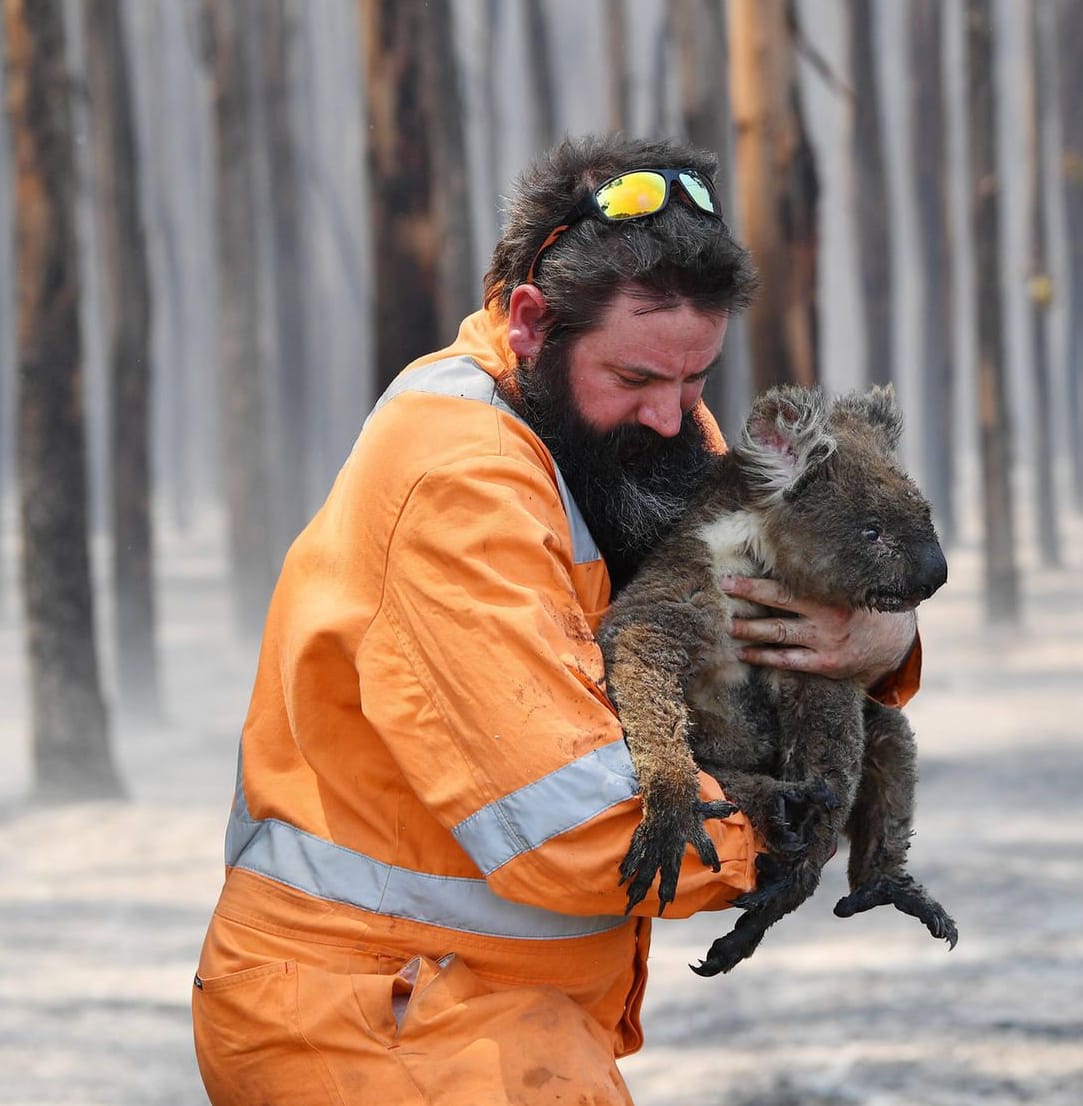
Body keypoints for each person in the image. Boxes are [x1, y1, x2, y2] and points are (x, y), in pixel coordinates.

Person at [190, 135, 923, 1105]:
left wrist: (889, 641)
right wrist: (789, 824)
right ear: (532, 322)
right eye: (638, 380)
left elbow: (778, 603)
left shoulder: (627, 435)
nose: (677, 417)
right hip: (376, 1016)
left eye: (696, 378)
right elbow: (574, 826)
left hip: (485, 1007)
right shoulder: (460, 479)